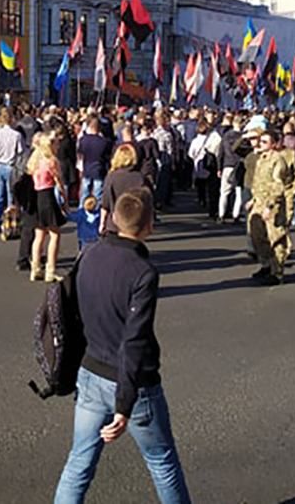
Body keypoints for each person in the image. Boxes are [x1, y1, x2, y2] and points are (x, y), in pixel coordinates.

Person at [53, 187, 191, 504]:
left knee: (79, 462)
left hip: (89, 370)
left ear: (114, 217)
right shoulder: (142, 272)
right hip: (132, 382)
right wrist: (124, 403)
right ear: (149, 227)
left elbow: (71, 309)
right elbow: (134, 340)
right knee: (161, 462)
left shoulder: (89, 252)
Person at [247, 128, 295, 285]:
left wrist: (271, 205)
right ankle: (266, 264)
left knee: (276, 238)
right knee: (257, 236)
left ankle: (277, 272)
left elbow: (278, 186)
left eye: (264, 141)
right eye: (260, 141)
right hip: (259, 202)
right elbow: (259, 182)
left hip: (274, 203)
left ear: (273, 144)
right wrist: (253, 200)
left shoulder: (278, 160)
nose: (260, 144)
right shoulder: (262, 158)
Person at [28, 132, 66, 283]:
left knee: (39, 236)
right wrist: (64, 199)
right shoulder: (51, 161)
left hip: (37, 196)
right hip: (48, 196)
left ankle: (35, 268)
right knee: (55, 234)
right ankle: (50, 270)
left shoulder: (35, 160)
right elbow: (59, 182)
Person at [100, 143, 152, 236]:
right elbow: (147, 201)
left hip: (114, 223)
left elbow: (105, 204)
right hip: (134, 223)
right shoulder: (139, 177)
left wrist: (102, 223)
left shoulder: (111, 177)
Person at [0, 109, 25, 234]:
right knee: (11, 196)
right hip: (11, 166)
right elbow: (20, 152)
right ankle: (11, 224)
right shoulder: (16, 135)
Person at [77, 116, 112, 202]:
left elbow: (80, 155)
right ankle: (96, 212)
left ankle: (82, 211)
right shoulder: (104, 142)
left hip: (86, 169)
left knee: (84, 194)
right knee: (97, 195)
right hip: (99, 170)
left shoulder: (82, 140)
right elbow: (107, 156)